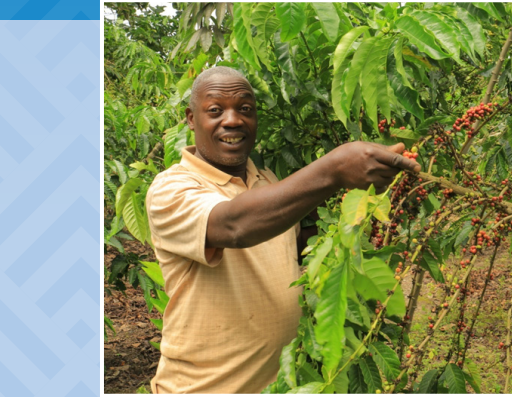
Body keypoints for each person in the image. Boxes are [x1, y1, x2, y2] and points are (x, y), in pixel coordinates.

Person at [146, 66, 420, 393]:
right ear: (191, 118)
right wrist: (336, 168)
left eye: (245, 109)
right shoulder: (171, 189)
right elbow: (235, 226)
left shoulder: (267, 182)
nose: (232, 120)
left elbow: (289, 247)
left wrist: (357, 214)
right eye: (215, 110)